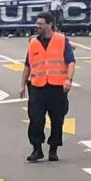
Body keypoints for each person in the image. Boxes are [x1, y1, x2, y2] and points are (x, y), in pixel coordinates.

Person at [19, 12, 75, 163]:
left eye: (40, 24)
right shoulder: (33, 43)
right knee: (35, 118)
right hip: (37, 86)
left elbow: (70, 61)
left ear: (50, 24)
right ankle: (37, 149)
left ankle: (53, 149)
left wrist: (69, 80)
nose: (37, 26)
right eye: (37, 24)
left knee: (57, 119)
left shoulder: (62, 40)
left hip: (57, 87)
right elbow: (27, 65)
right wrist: (22, 85)